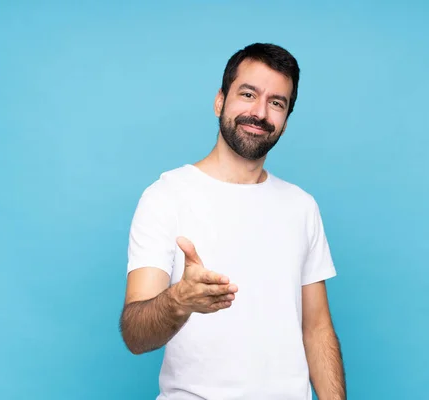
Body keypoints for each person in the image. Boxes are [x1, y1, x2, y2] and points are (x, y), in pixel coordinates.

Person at [119, 42, 346, 400]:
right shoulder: (166, 197)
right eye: (248, 94)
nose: (260, 112)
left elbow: (316, 328)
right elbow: (135, 334)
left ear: (285, 121)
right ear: (219, 101)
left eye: (276, 102)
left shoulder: (301, 206)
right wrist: (180, 299)